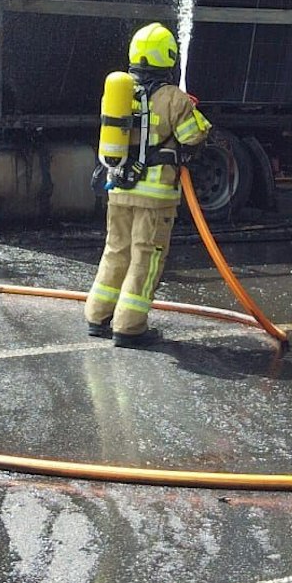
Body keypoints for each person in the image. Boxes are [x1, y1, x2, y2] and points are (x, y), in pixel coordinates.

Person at [84, 22, 212, 347]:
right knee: (145, 258)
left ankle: (98, 317)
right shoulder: (174, 99)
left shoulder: (118, 92)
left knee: (115, 251)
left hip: (119, 189)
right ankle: (129, 326)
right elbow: (194, 137)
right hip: (155, 198)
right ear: (167, 57)